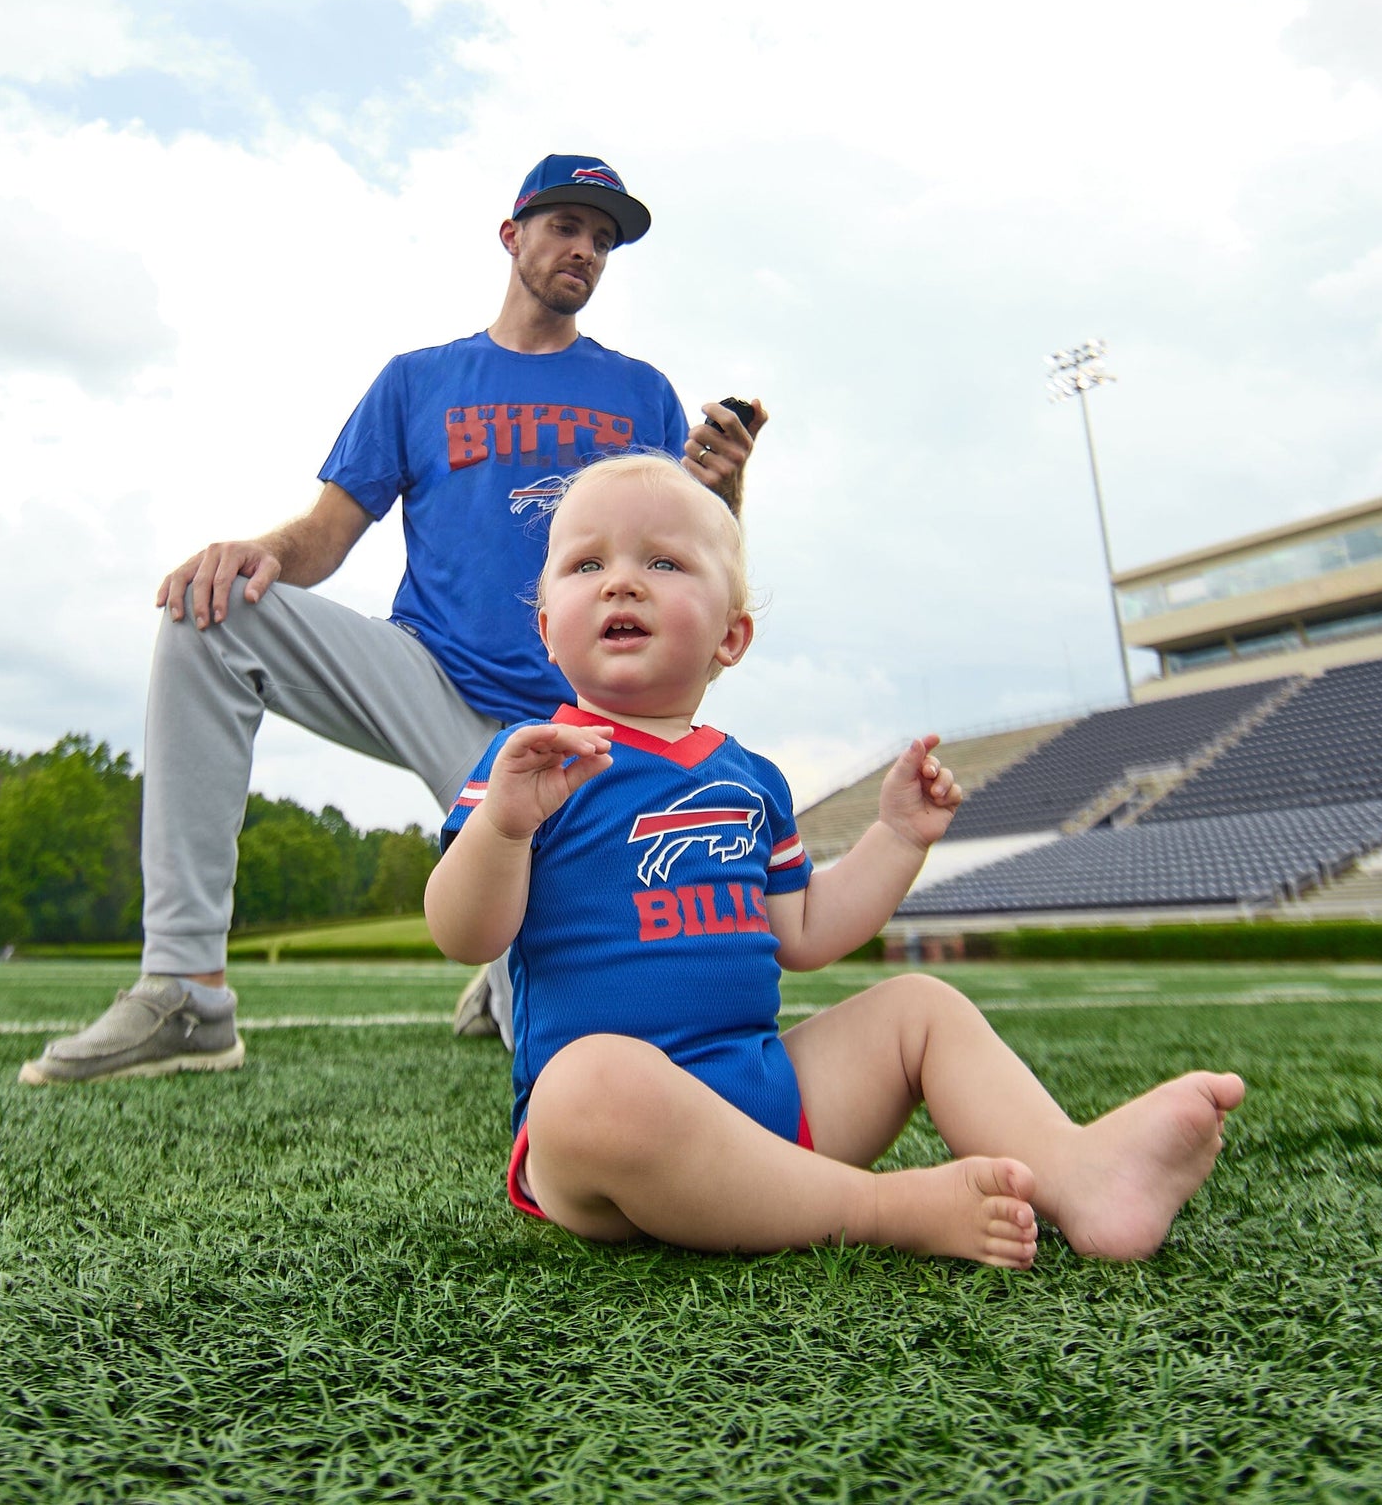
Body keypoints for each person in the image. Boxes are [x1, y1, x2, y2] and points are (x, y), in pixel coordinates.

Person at [20, 157, 765, 1085]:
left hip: (573, 737)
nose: (586, 250)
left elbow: (688, 562)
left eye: (604, 239)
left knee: (589, 1029)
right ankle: (185, 993)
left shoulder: (640, 391)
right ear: (513, 236)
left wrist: (725, 486)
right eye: (567, 226)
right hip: (428, 679)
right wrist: (252, 553)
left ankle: (512, 973)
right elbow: (328, 534)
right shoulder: (419, 380)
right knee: (208, 618)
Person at [424, 454, 1246, 1264]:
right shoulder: (530, 764)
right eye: (586, 563)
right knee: (590, 1081)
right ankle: (883, 1207)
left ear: (731, 635)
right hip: (609, 1147)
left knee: (920, 1007)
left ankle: (1080, 1176)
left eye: (664, 561)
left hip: (769, 1106)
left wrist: (895, 841)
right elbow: (466, 934)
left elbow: (807, 931)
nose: (621, 581)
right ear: (545, 630)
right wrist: (502, 827)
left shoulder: (750, 780)